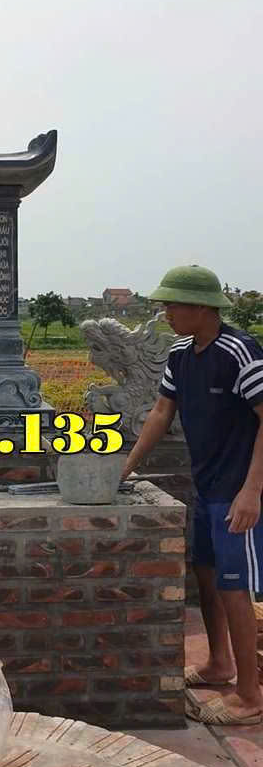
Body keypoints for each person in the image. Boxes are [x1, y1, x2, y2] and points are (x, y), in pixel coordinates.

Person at [122, 264, 263, 725]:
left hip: (237, 489)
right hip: (206, 484)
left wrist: (252, 491)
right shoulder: (181, 353)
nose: (165, 313)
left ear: (202, 307)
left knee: (235, 588)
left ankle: (250, 696)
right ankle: (219, 663)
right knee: (205, 574)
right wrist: (126, 466)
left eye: (172, 305)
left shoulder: (239, 352)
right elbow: (162, 412)